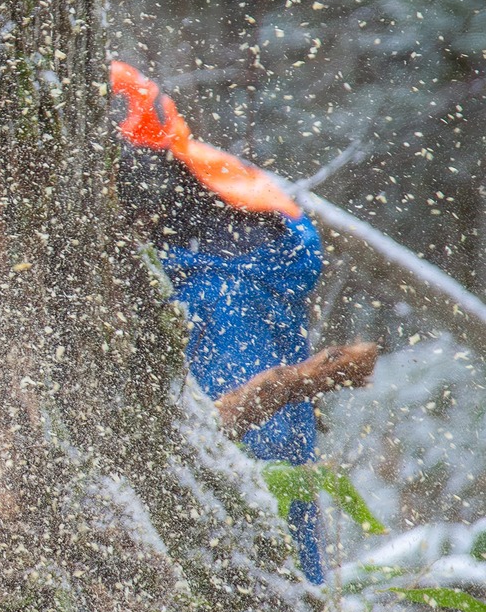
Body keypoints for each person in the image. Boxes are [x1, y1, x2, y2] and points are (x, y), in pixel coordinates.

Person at [111, 61, 374, 583]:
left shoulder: (225, 274)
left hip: (243, 499)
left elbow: (263, 458)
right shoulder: (211, 207)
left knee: (273, 519)